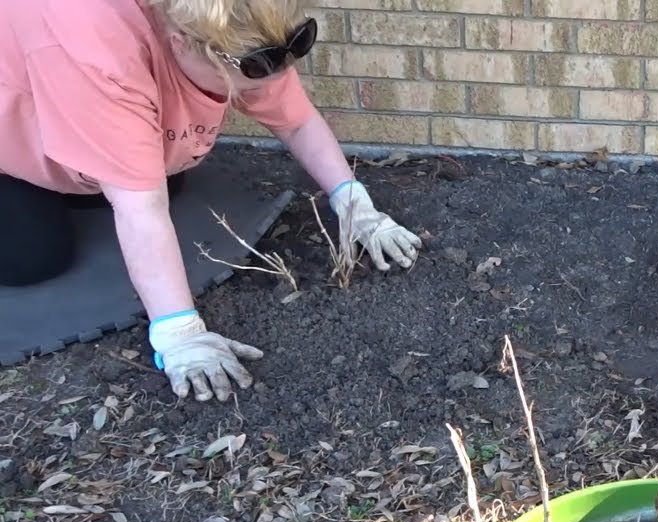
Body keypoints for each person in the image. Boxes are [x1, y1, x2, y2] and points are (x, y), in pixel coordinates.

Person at [0, 0, 426, 403]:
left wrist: (355, 205)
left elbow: (296, 122)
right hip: (15, 119)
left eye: (298, 43)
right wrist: (179, 333)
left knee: (165, 172)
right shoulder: (98, 54)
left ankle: (85, 165)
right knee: (34, 258)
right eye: (257, 66)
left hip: (87, 101)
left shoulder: (238, 24)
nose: (275, 76)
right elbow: (141, 212)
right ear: (182, 43)